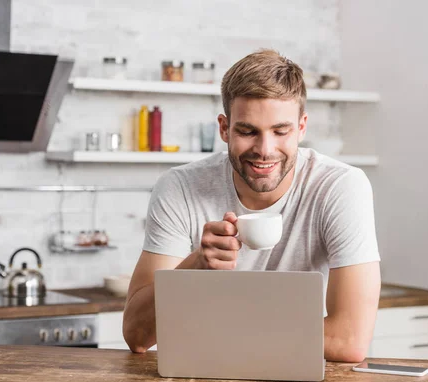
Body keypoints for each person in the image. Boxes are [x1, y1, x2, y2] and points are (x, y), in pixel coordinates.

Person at [122, 49, 381, 362]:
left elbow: (349, 341)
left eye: (280, 131)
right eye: (247, 131)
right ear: (224, 128)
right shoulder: (180, 187)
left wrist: (218, 327)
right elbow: (137, 335)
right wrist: (197, 267)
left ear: (301, 128)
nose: (264, 150)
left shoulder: (340, 187)